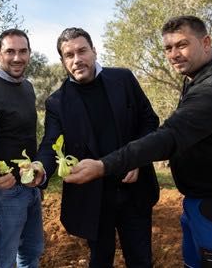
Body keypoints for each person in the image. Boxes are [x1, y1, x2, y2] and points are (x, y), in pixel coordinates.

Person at [65, 16, 212, 267]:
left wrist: (104, 165)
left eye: (182, 45)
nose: (174, 54)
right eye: (168, 48)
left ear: (206, 43)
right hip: (203, 199)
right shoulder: (199, 77)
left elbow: (170, 136)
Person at [34, 27, 160, 267]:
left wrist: (138, 159)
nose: (77, 59)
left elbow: (149, 121)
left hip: (134, 190)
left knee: (141, 259)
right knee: (100, 260)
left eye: (82, 51)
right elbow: (51, 144)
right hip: (92, 198)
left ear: (94, 51)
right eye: (69, 55)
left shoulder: (123, 79)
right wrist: (40, 167)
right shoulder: (57, 102)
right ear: (62, 61)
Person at [0, 29, 44, 268]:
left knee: (31, 252)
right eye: (10, 51)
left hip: (29, 185)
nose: (17, 58)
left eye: (22, 51)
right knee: (4, 259)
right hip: (4, 192)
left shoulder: (27, 88)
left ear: (29, 54)